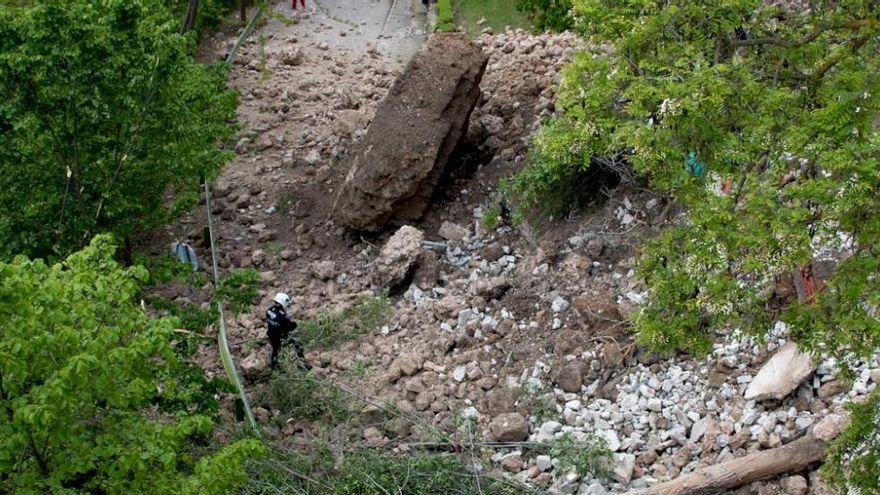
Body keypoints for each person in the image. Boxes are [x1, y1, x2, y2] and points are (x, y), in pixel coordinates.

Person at [265, 292, 309, 370]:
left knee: (275, 351)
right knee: (297, 344)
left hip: (271, 334)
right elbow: (291, 327)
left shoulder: (269, 310)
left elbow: (276, 320)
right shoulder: (283, 316)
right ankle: (302, 363)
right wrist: (294, 324)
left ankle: (274, 367)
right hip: (280, 337)